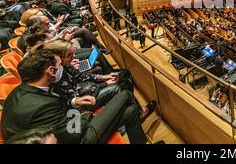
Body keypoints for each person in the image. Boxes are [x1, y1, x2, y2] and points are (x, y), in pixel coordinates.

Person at [2, 49, 151, 144]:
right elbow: (74, 133)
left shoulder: (23, 91)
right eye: (60, 65)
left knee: (131, 112)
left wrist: (74, 102)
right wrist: (85, 114)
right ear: (51, 71)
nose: (64, 67)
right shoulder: (43, 106)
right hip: (78, 138)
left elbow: (59, 114)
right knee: (125, 95)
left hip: (61, 130)